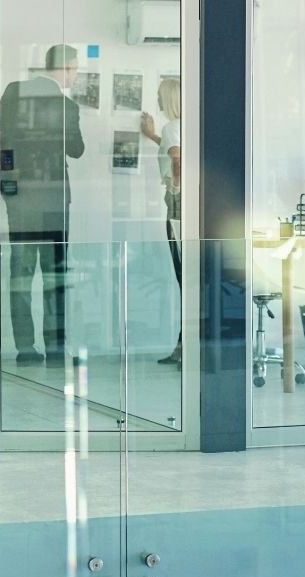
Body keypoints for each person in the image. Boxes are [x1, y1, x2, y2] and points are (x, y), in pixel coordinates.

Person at [0, 44, 85, 367]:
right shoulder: (66, 106)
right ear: (65, 68)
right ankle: (56, 348)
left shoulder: (12, 95)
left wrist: (8, 181)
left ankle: (25, 349)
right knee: (55, 275)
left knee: (20, 273)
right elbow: (76, 149)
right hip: (53, 200)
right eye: (75, 69)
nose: (75, 76)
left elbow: (0, 141)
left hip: (20, 198)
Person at [140, 78, 183, 364]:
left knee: (184, 275)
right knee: (191, 278)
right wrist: (154, 137)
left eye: (159, 95)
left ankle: (184, 348)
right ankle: (185, 346)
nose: (156, 100)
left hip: (178, 206)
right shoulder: (185, 126)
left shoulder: (172, 128)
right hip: (193, 204)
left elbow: (177, 158)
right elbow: (174, 149)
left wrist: (177, 185)